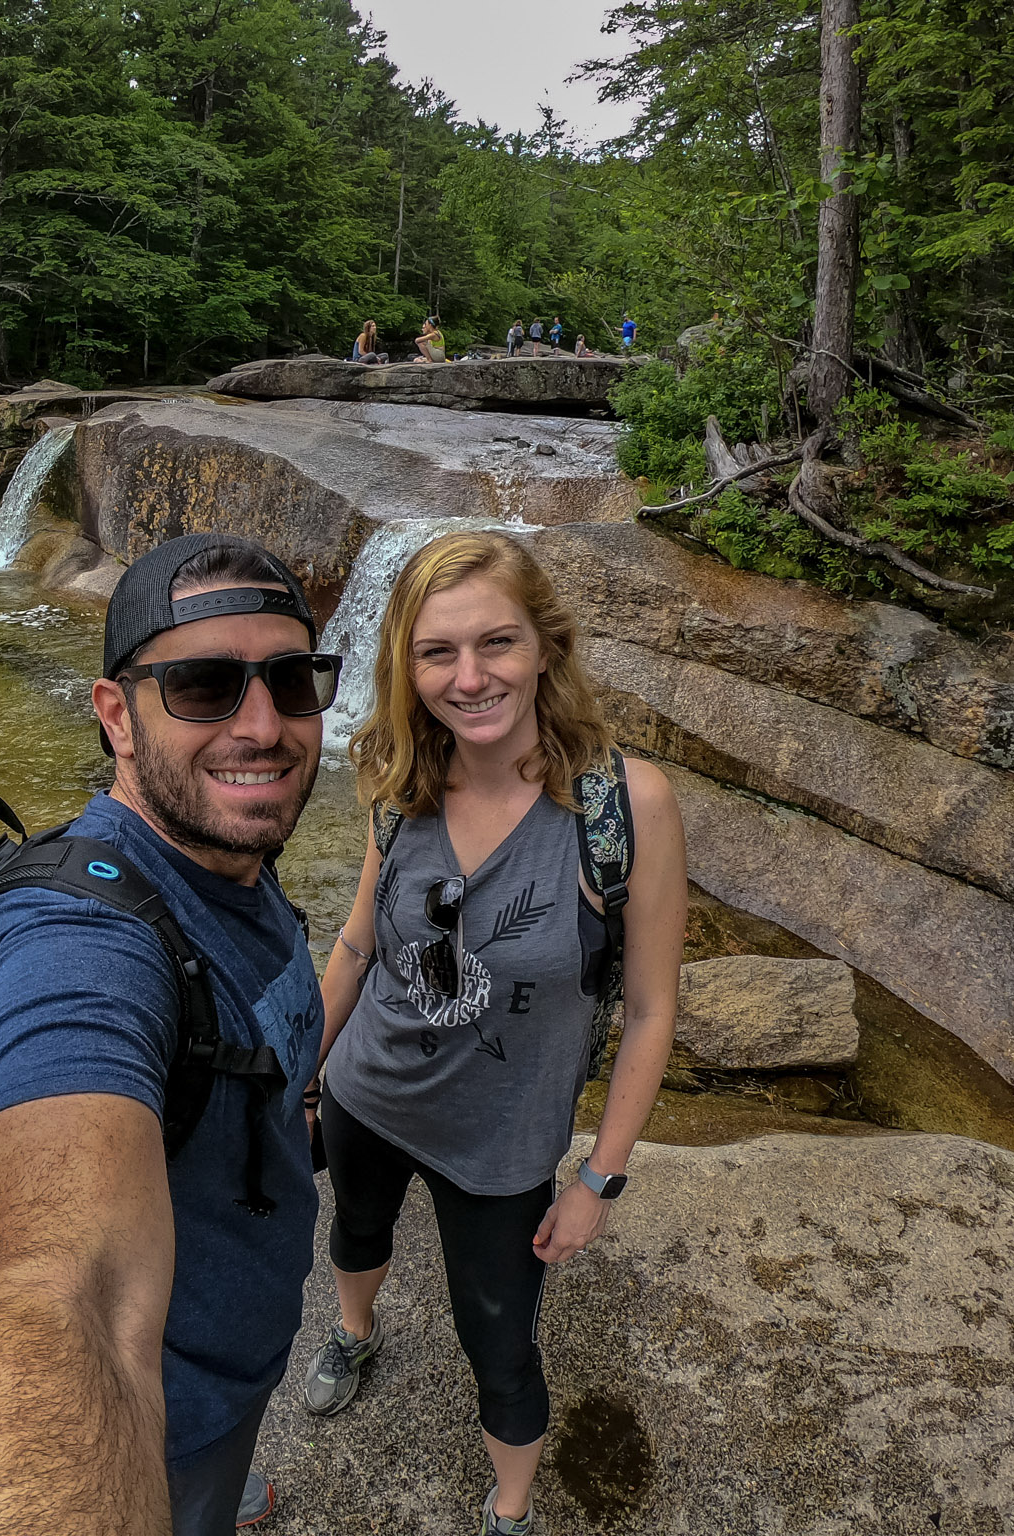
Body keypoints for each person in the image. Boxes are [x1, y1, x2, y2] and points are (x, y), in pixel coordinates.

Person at [0, 533, 340, 1536]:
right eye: (204, 687)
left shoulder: (227, 842)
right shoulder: (74, 940)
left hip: (240, 1350)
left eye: (291, 680)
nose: (263, 728)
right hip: (165, 1422)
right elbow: (62, 1285)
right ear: (116, 716)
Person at [300, 531, 685, 1536]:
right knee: (354, 1231)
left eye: (496, 643)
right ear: (407, 666)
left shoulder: (623, 807)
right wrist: (300, 1069)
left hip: (502, 1143)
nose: (468, 679)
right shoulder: (400, 773)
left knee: (501, 1346)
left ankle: (509, 1509)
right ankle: (352, 1331)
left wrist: (598, 1179)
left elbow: (651, 1011)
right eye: (437, 653)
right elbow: (356, 945)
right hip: (366, 1093)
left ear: (545, 646)